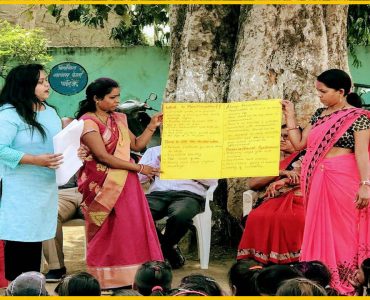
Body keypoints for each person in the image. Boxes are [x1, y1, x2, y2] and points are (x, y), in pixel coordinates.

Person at [282, 68, 370, 295]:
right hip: (317, 179)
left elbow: (362, 154)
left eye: (323, 91)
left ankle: (346, 278)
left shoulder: (358, 118)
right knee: (317, 227)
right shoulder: (320, 114)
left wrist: (366, 184)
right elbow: (299, 144)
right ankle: (317, 275)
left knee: (344, 230)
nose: (319, 96)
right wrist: (290, 114)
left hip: (344, 179)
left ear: (341, 92)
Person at [76, 77, 163, 289]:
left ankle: (135, 276)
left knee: (130, 227)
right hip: (101, 185)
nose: (117, 101)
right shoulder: (88, 122)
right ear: (97, 99)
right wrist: (140, 168)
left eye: (118, 97)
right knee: (106, 229)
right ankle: (105, 278)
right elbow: (103, 157)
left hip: (127, 181)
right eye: (112, 97)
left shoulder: (119, 119)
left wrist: (152, 125)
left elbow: (137, 145)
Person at [0, 64, 63, 280]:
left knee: (36, 238)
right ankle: (18, 288)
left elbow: (58, 144)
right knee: (20, 239)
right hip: (18, 190)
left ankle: (31, 286)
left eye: (46, 80)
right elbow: (0, 149)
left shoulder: (51, 111)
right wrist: (35, 160)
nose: (47, 85)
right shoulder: (9, 114)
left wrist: (76, 151)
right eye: (40, 81)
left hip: (45, 188)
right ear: (25, 85)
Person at [138, 145, 218, 268]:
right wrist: (155, 164)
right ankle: (170, 251)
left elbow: (213, 181)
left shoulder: (201, 150)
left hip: (188, 195)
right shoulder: (153, 151)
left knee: (180, 215)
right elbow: (138, 178)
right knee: (136, 212)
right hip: (158, 194)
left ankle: (163, 250)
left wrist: (183, 166)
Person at [237, 125, 305, 264]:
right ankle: (260, 260)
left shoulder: (306, 156)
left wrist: (289, 180)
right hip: (274, 199)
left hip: (299, 198)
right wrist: (280, 172)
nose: (281, 139)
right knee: (257, 216)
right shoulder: (272, 160)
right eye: (279, 136)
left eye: (286, 136)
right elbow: (253, 184)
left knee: (291, 218)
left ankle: (293, 261)